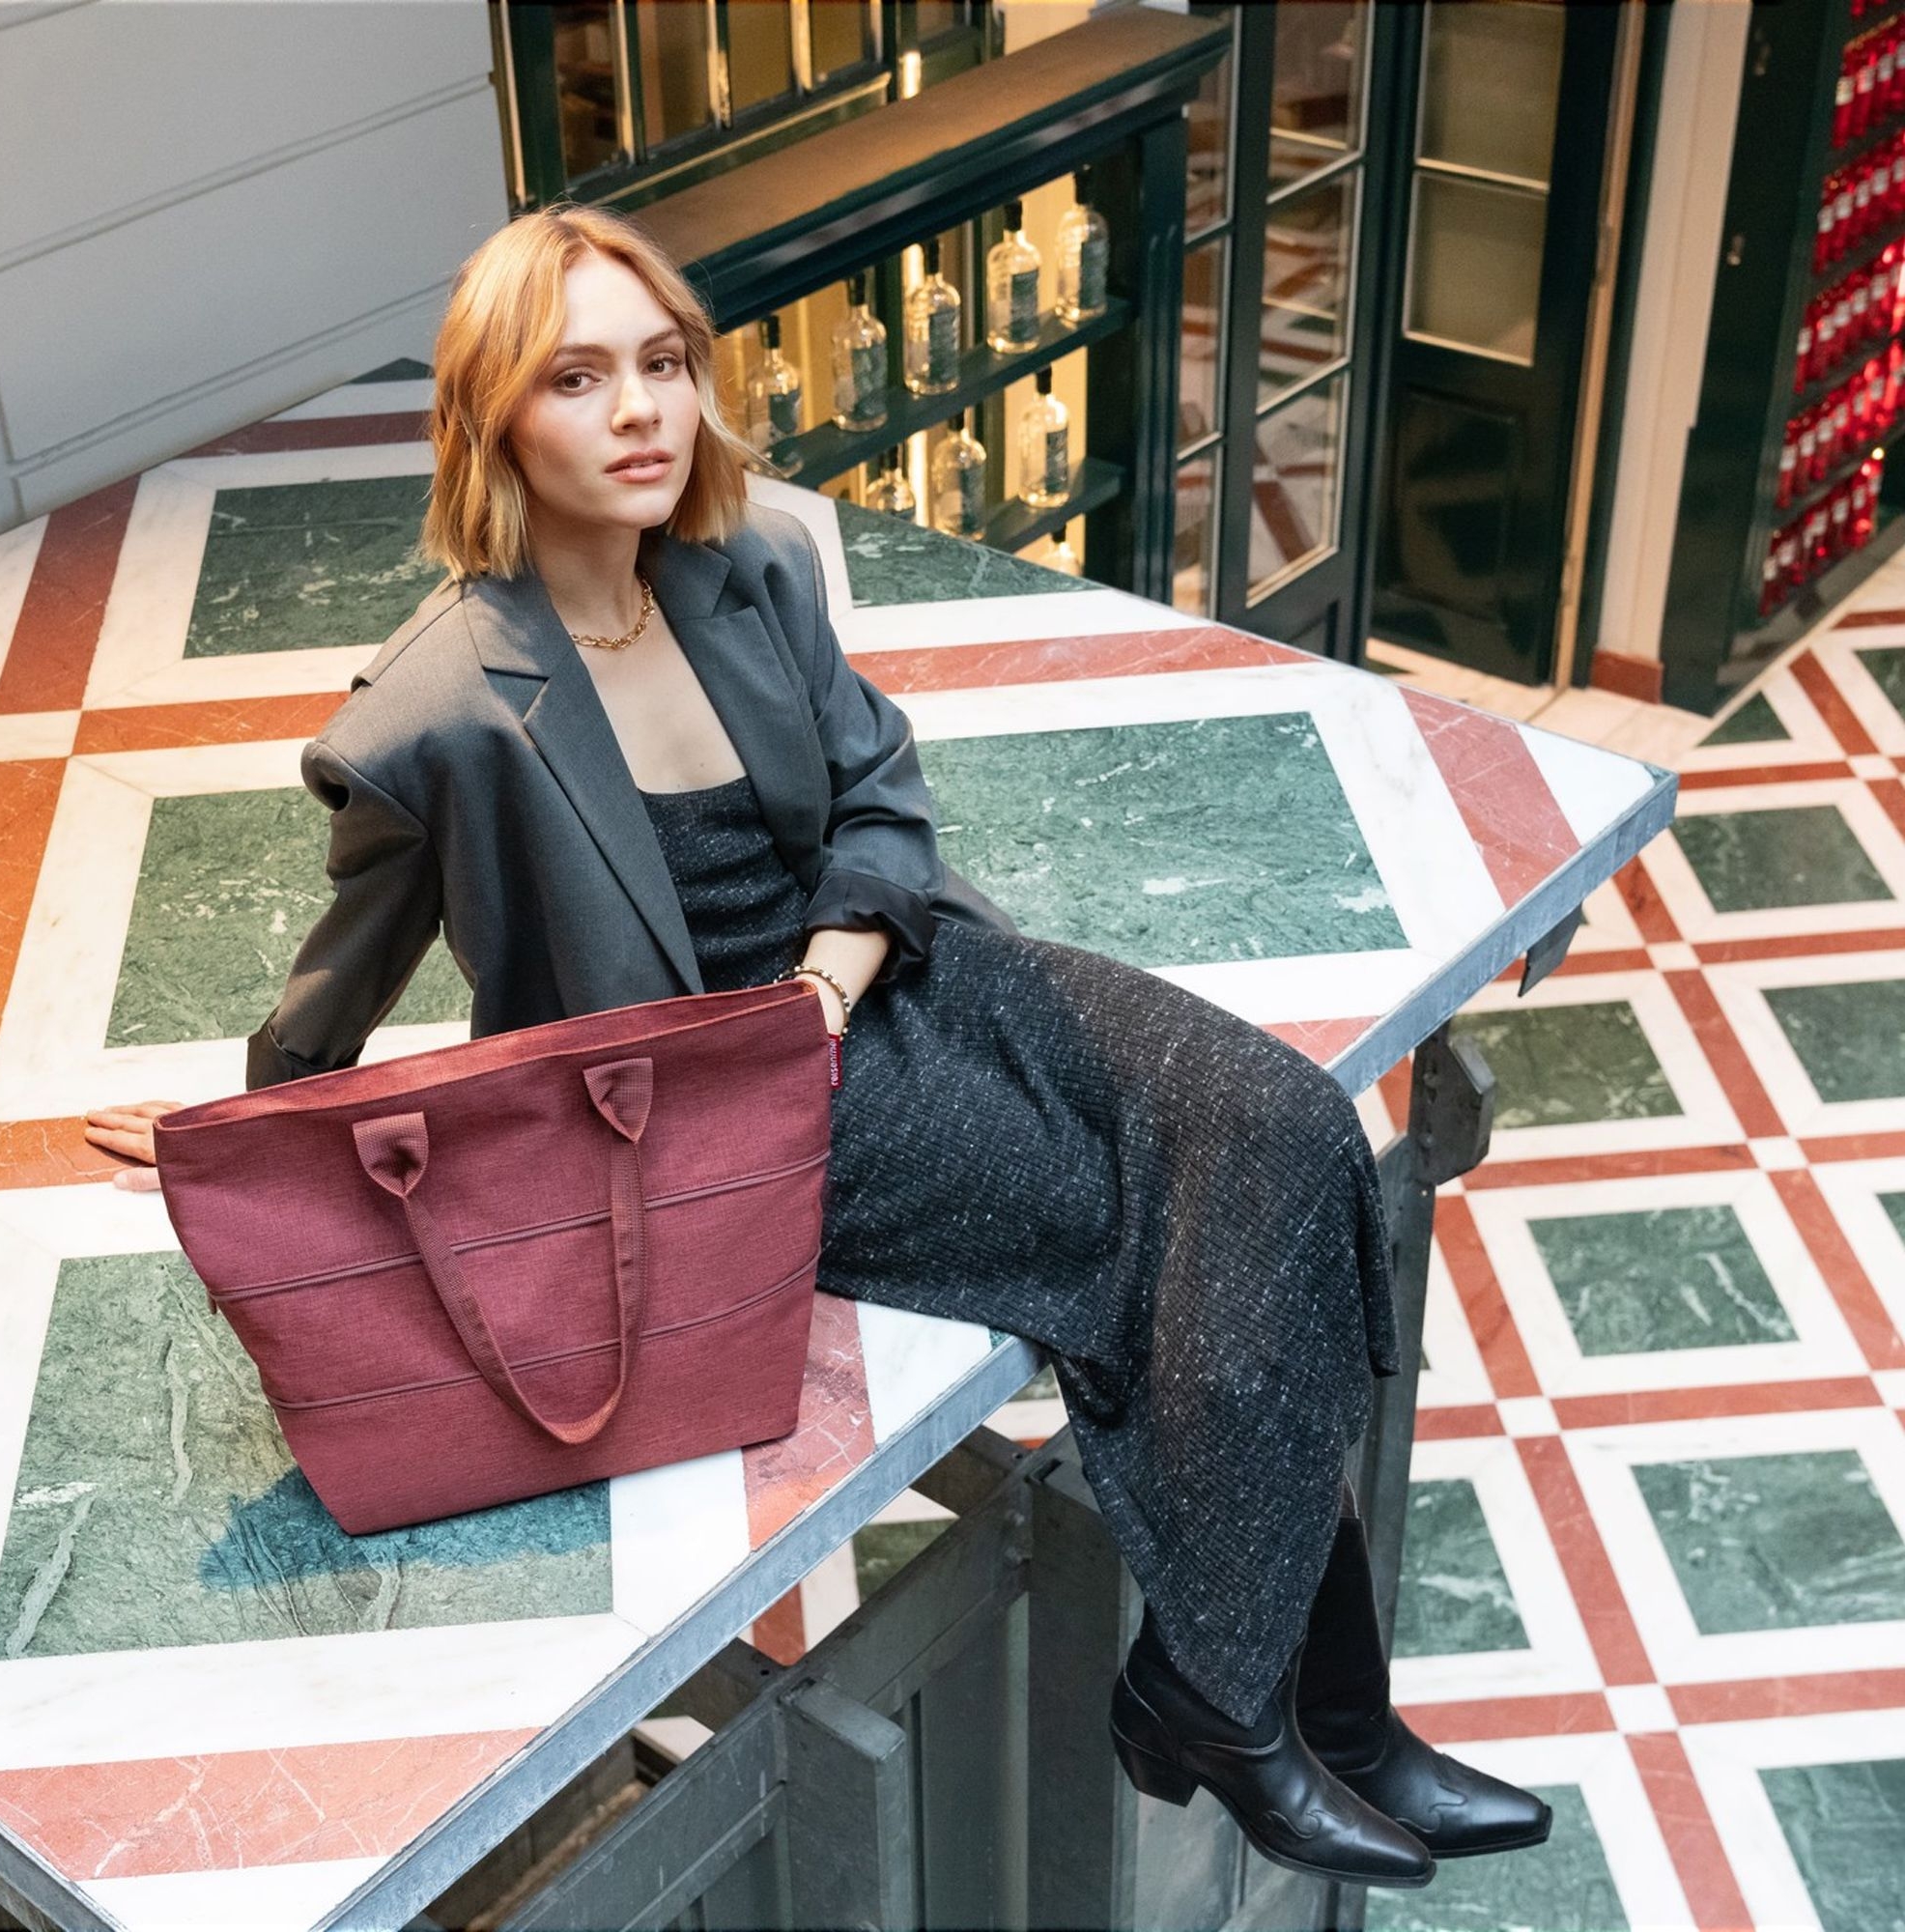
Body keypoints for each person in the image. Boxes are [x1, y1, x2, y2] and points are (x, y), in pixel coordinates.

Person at [86, 204, 1549, 1888]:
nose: (641, 411)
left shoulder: (750, 567)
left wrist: (837, 979)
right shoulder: (435, 713)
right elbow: (342, 982)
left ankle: (1261, 1702)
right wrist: (241, 1137)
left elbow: (876, 794)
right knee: (1152, 1235)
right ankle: (1267, 1710)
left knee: (1278, 1126)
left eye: (663, 364)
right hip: (708, 1105)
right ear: (491, 416)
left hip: (891, 976)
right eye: (579, 377)